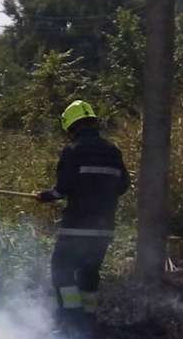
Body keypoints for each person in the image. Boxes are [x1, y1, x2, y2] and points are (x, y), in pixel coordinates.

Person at [36, 100, 130, 338]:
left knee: (61, 269)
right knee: (90, 273)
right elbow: (123, 186)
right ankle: (88, 319)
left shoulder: (73, 151)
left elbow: (63, 188)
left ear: (71, 126)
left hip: (76, 228)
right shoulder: (113, 151)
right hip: (104, 229)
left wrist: (48, 196)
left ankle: (71, 319)